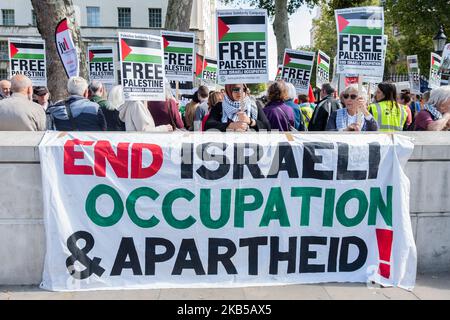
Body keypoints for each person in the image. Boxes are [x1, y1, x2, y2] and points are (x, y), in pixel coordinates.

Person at [204, 83, 270, 132]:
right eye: (236, 89)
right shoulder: (220, 106)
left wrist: (250, 121)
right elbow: (208, 126)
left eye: (243, 89)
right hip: (226, 148)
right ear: (229, 90)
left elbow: (267, 127)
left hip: (250, 147)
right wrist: (230, 126)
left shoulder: (254, 105)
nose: (240, 92)